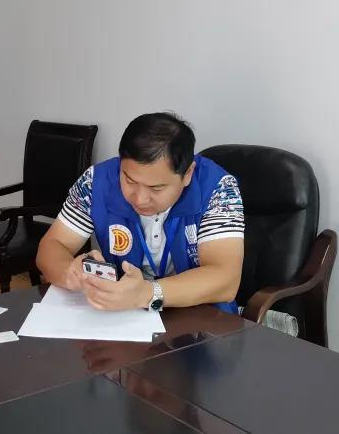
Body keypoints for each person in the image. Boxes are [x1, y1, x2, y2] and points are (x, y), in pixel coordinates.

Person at [36, 113, 245, 313]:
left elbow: (225, 280)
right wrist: (69, 272)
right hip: (122, 314)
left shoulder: (218, 189)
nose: (139, 199)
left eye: (156, 188)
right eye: (129, 181)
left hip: (200, 317)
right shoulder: (95, 183)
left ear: (188, 174)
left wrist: (147, 293)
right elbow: (52, 245)